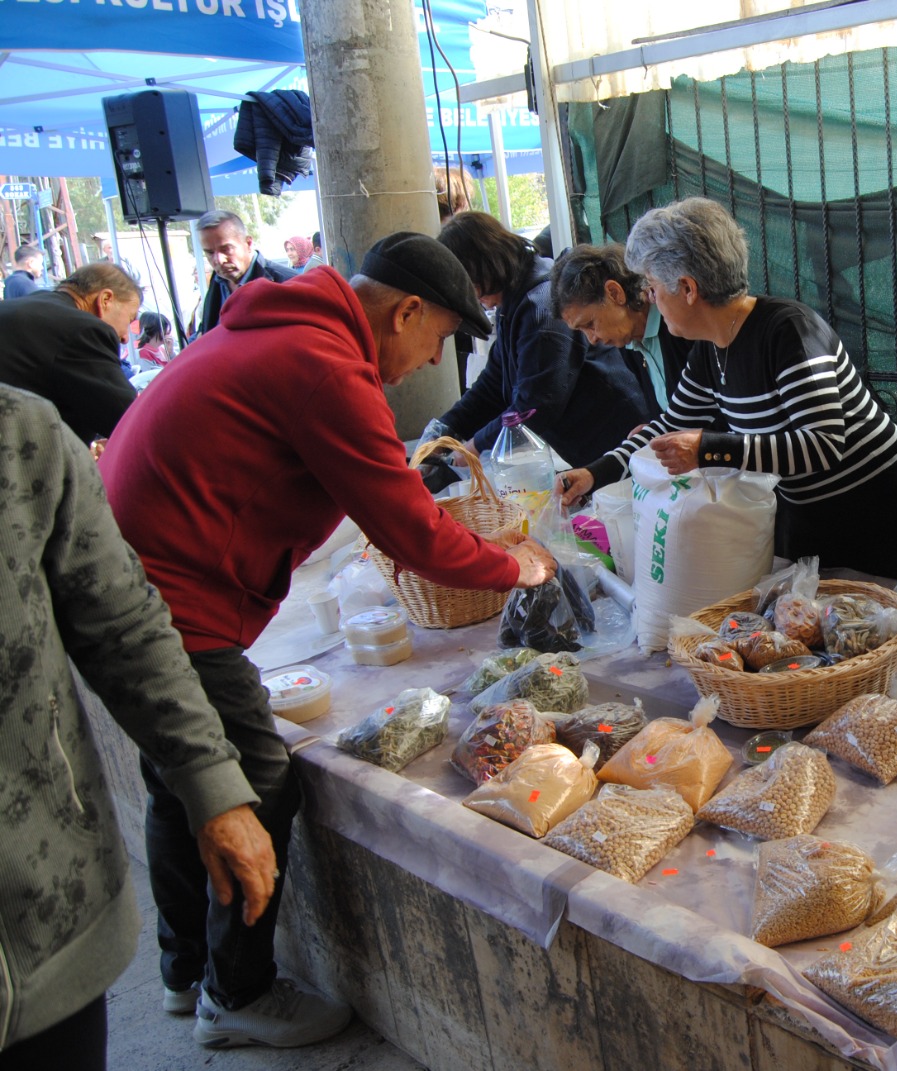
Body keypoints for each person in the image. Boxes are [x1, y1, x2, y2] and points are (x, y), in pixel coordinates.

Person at [98, 231, 556, 1050]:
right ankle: (235, 991)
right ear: (407, 310)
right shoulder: (324, 364)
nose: (429, 362)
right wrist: (516, 567)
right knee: (254, 781)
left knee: (178, 775)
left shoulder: (280, 328)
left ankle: (184, 968)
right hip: (170, 599)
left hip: (129, 586)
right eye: (440, 339)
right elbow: (412, 531)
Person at [0, 384, 277, 1071]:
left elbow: (124, 625)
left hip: (48, 920)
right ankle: (213, 982)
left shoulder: (19, 432)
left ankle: (195, 975)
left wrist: (214, 787)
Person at [558, 197, 897, 578]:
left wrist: (708, 449)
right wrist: (596, 473)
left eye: (655, 287)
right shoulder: (710, 351)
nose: (650, 297)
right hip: (814, 522)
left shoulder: (788, 331)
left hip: (882, 520)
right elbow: (670, 424)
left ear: (688, 289)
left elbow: (823, 444)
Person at [427, 211, 654, 464]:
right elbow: (492, 383)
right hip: (590, 449)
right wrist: (444, 430)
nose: (470, 295)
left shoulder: (540, 305)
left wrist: (474, 447)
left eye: (468, 282)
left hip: (620, 437)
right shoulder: (511, 304)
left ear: (483, 265)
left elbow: (537, 403)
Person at [0, 262, 140, 442]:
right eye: (129, 319)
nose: (125, 337)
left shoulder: (15, 309)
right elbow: (129, 420)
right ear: (106, 299)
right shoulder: (83, 330)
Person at [550, 241, 694, 415]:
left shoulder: (679, 325)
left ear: (614, 293)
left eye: (590, 324)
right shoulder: (628, 342)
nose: (592, 339)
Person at [193, 209, 296, 337]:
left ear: (248, 243)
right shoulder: (217, 280)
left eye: (226, 249)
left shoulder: (288, 283)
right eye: (209, 252)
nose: (219, 260)